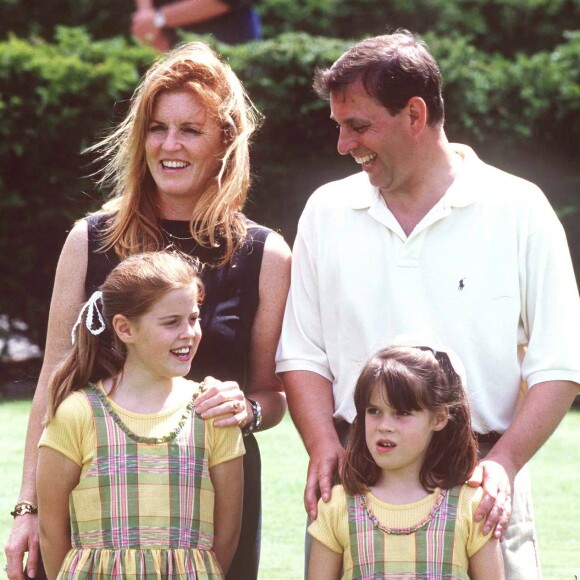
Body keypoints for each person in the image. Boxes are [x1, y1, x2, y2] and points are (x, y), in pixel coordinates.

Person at [276, 29, 580, 578]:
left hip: (482, 487)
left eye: (358, 126)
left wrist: (505, 462)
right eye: (339, 127)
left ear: (415, 114)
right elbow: (302, 354)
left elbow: (560, 363)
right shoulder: (325, 211)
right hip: (355, 485)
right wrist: (323, 446)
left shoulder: (519, 208)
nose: (343, 145)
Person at [5, 42, 291, 580]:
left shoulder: (265, 254)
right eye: (157, 128)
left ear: (225, 140)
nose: (169, 144)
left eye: (190, 129)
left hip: (208, 498)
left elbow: (272, 395)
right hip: (90, 508)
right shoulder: (89, 239)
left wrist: (246, 410)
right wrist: (28, 507)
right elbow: (53, 376)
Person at [37, 251, 244, 578]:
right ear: (124, 328)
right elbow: (51, 533)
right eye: (171, 322)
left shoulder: (212, 411)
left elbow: (228, 534)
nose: (188, 332)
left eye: (193, 318)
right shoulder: (78, 414)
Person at [308, 342, 504, 579]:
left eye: (402, 412)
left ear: (439, 418)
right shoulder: (337, 507)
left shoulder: (472, 506)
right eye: (373, 410)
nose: (384, 426)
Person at [132, 0, 261, 51]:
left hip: (229, 48)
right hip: (167, 48)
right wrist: (145, 12)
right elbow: (147, 22)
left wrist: (158, 19)